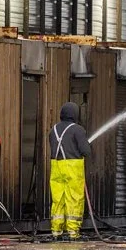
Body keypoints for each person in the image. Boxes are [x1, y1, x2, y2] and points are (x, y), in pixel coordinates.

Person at [49, 102, 92, 240]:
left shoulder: (53, 130)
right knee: (74, 198)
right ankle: (73, 232)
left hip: (56, 167)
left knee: (58, 199)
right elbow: (86, 151)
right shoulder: (78, 130)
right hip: (73, 167)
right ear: (75, 114)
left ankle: (56, 231)